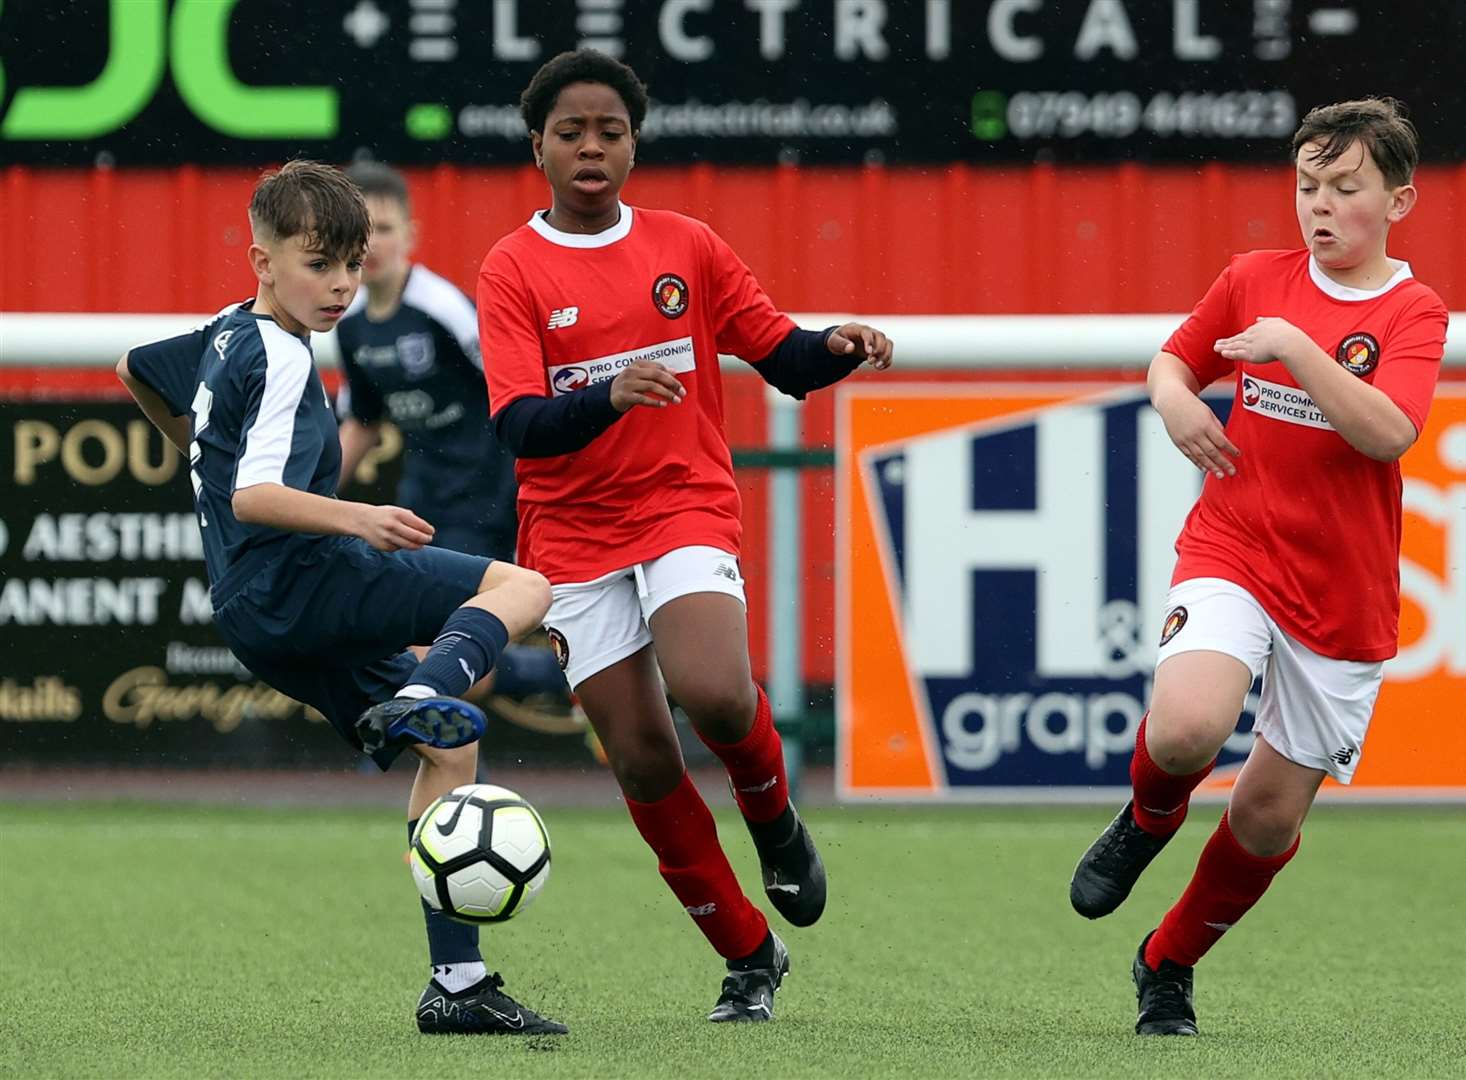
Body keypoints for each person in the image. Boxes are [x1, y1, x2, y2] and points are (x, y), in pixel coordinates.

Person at [476, 49, 894, 1023]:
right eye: (571, 131)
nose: (591, 147)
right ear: (536, 143)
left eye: (610, 132)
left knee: (711, 688)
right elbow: (519, 426)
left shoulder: (686, 245)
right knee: (645, 761)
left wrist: (835, 349)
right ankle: (749, 954)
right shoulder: (513, 267)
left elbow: (778, 354)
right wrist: (610, 397)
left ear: (634, 145)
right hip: (571, 539)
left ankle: (775, 819)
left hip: (682, 506)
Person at [115, 160, 566, 1037]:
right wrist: (357, 516)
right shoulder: (281, 355)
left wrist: (195, 450)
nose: (342, 285)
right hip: (309, 581)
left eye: (353, 265)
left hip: (254, 616)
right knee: (525, 585)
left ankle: (457, 985)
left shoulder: (223, 334)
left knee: (453, 754)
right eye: (319, 263)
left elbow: (136, 365)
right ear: (262, 259)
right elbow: (253, 496)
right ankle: (423, 691)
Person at [1067, 98, 1450, 1036]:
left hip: (1341, 594)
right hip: (1232, 547)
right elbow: (1172, 361)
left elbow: (1388, 431)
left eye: (1344, 188)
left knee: (1268, 820)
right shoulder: (1252, 277)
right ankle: (1148, 820)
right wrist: (1173, 404)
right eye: (1306, 185)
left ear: (1397, 201)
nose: (1318, 205)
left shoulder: (1413, 310)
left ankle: (1166, 965)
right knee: (1184, 731)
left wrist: (1295, 350)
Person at [334, 160, 574, 724]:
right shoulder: (351, 326)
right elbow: (363, 424)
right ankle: (558, 676)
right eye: (359, 233)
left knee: (447, 664)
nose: (372, 245)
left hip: (489, 497)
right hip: (429, 502)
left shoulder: (440, 306)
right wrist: (307, 497)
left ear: (412, 235)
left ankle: (567, 672)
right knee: (439, 660)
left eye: (385, 229)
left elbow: (514, 383)